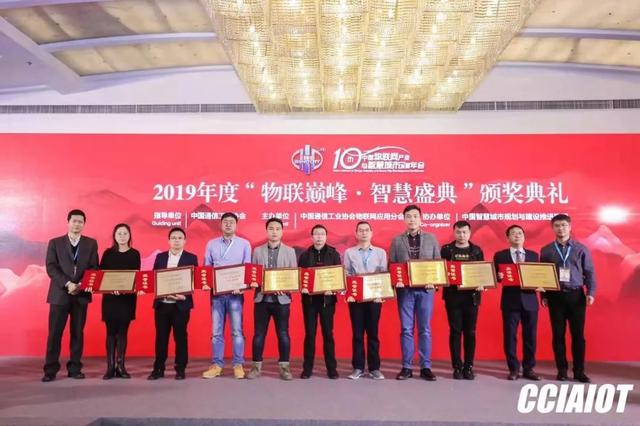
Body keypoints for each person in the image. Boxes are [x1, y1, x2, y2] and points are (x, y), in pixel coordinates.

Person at [42, 209, 99, 382]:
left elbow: (94, 268)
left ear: (84, 224)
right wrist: (68, 284)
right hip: (60, 294)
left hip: (81, 295)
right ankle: (50, 370)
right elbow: (51, 267)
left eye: (80, 221)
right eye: (74, 221)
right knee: (54, 334)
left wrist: (80, 285)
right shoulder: (55, 243)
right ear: (68, 222)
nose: (77, 224)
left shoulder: (91, 243)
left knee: (77, 333)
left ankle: (75, 368)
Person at [540, 214, 596, 383]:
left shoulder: (581, 249)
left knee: (578, 335)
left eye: (564, 225)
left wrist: (591, 292)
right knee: (558, 335)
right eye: (557, 225)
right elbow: (543, 275)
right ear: (553, 228)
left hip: (576, 296)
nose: (561, 228)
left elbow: (589, 272)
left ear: (570, 227)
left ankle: (579, 371)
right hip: (555, 296)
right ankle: (562, 370)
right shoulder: (546, 250)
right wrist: (544, 295)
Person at [390, 205, 440, 381]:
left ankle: (426, 367)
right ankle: (407, 367)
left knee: (425, 329)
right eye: (408, 216)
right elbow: (392, 265)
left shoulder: (431, 238)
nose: (412, 219)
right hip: (406, 291)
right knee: (406, 329)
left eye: (415, 216)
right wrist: (396, 281)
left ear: (421, 218)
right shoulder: (397, 241)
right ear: (404, 219)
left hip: (426, 290)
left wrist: (434, 281)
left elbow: (437, 263)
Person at [201, 212, 252, 380]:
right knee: (216, 332)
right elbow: (207, 267)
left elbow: (247, 268)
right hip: (217, 295)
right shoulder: (212, 244)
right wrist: (206, 283)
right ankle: (217, 365)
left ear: (236, 225)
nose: (228, 224)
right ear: (221, 224)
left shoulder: (244, 244)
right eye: (225, 222)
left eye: (231, 222)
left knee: (237, 331)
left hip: (235, 295)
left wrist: (243, 286)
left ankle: (238, 365)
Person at [248, 217, 297, 380]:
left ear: (282, 231)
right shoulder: (257, 251)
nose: (274, 232)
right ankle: (256, 367)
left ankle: (284, 368)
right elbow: (253, 275)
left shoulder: (290, 251)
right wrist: (253, 282)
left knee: (283, 334)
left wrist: (286, 287)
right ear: (266, 231)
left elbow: (293, 276)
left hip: (282, 301)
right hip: (261, 300)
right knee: (258, 335)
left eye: (277, 229)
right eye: (271, 228)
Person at [147, 227, 197, 380]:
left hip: (180, 305)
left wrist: (184, 295)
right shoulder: (160, 257)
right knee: (161, 338)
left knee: (180, 337)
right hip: (162, 304)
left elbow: (194, 281)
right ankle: (158, 368)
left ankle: (180, 368)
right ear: (168, 241)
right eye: (173, 238)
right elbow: (154, 278)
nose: (176, 240)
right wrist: (162, 291)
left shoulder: (191, 258)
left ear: (185, 241)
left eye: (180, 238)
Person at [493, 225, 541, 381]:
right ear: (507, 238)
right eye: (513, 233)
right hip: (510, 301)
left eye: (520, 233)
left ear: (524, 236)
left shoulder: (534, 255)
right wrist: (498, 277)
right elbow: (494, 277)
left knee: (530, 336)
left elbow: (539, 276)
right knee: (510, 336)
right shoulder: (500, 256)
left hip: (530, 301)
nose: (517, 235)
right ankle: (513, 368)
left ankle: (529, 368)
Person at [344, 221, 388, 380]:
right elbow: (347, 274)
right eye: (360, 230)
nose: (363, 233)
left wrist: (382, 294)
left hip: (374, 298)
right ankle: (358, 367)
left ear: (371, 233)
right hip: (356, 299)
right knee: (357, 334)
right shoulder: (349, 252)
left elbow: (383, 274)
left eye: (366, 230)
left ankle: (374, 368)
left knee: (373, 333)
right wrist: (348, 293)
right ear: (356, 234)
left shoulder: (380, 252)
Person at [441, 220, 484, 380]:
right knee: (455, 332)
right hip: (453, 297)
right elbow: (440, 271)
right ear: (454, 233)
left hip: (472, 298)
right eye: (458, 232)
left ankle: (469, 366)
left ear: (470, 233)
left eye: (465, 232)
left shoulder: (477, 250)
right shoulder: (446, 250)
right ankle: (457, 366)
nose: (461, 235)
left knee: (470, 332)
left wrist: (483, 284)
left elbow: (483, 272)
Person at [297, 224, 341, 379]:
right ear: (312, 236)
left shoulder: (333, 254)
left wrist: (333, 289)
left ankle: (332, 369)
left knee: (328, 334)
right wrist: (302, 287)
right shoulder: (304, 255)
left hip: (327, 301)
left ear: (326, 236)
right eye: (316, 234)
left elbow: (338, 276)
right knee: (310, 335)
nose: (319, 236)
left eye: (322, 234)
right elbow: (299, 277)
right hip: (309, 301)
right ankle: (307, 369)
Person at [100, 223, 141, 380]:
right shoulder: (108, 253)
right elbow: (101, 274)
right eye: (119, 233)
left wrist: (124, 288)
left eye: (125, 233)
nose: (122, 236)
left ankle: (121, 366)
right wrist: (110, 288)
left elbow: (135, 275)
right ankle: (110, 367)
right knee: (110, 332)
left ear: (129, 236)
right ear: (114, 236)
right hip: (110, 298)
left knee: (123, 332)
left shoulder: (135, 254)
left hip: (127, 298)